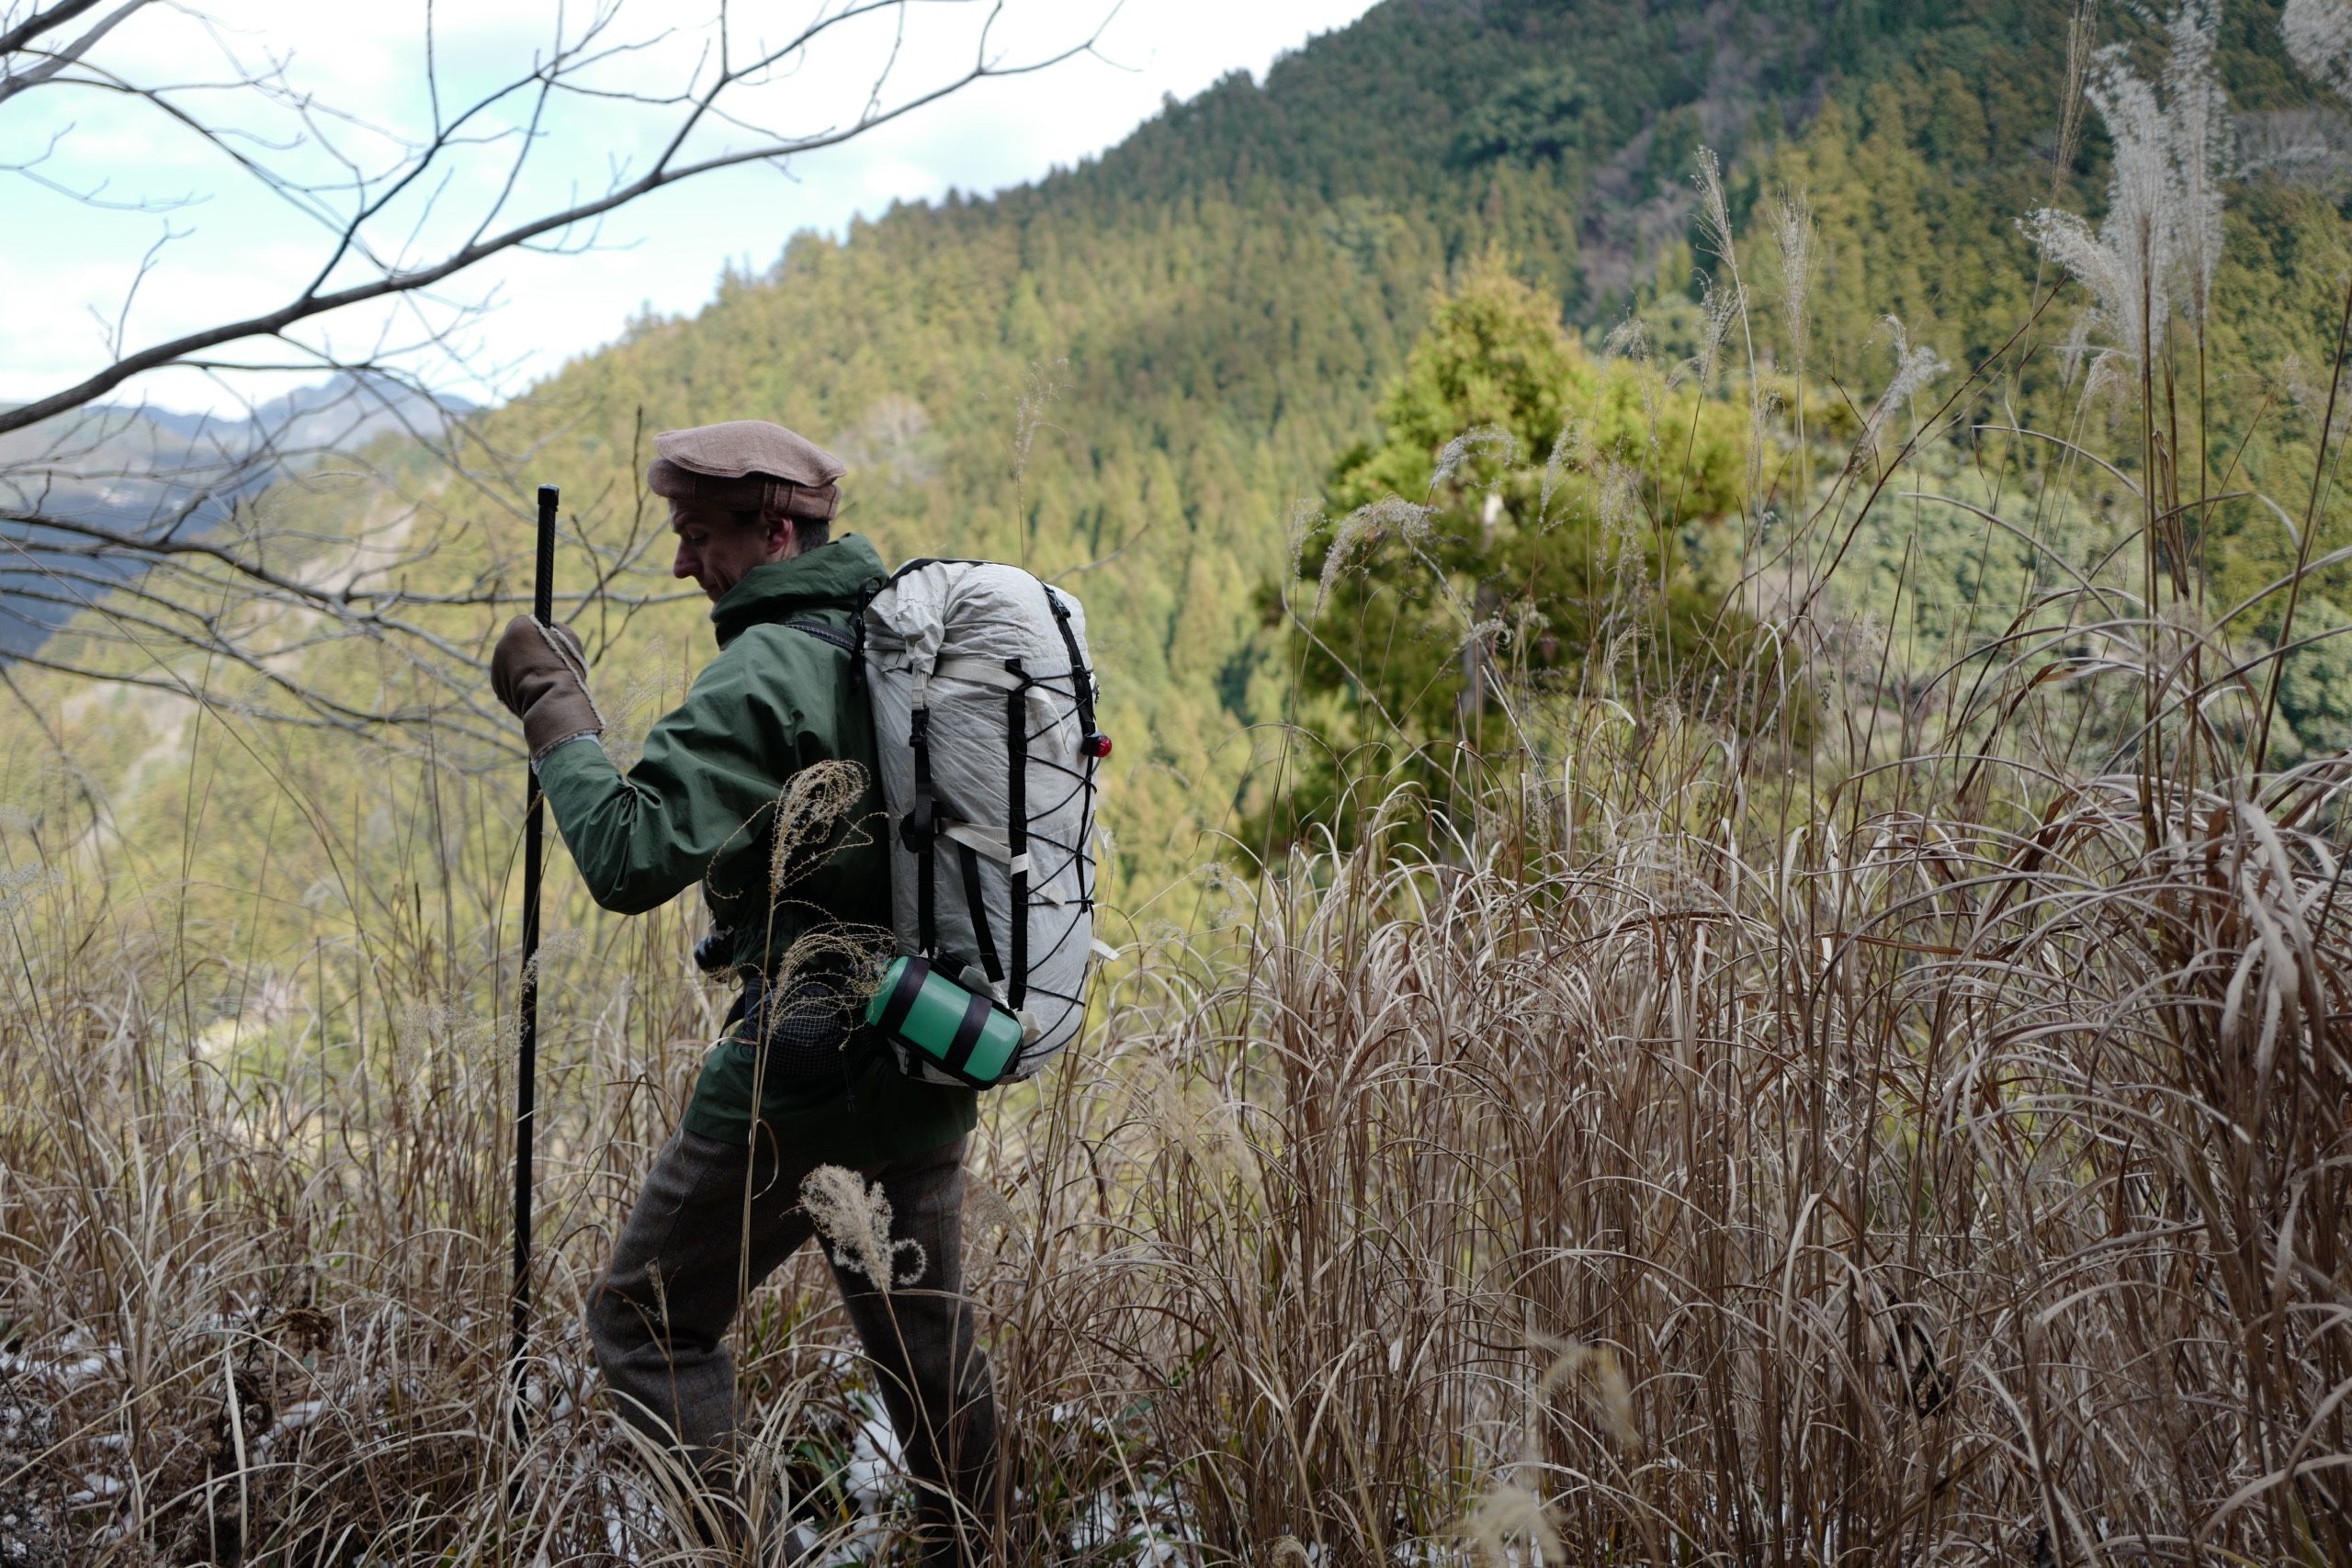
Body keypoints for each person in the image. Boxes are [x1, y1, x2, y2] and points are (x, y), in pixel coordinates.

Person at [489, 420, 997, 1563]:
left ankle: (733, 1552)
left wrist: (549, 707)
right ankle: (982, 1549)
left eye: (698, 535)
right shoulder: (897, 638)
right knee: (925, 1358)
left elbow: (626, 858)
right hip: (929, 1042)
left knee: (645, 1325)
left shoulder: (768, 668)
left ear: (773, 528)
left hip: (799, 1063)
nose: (683, 564)